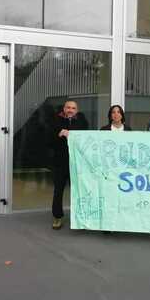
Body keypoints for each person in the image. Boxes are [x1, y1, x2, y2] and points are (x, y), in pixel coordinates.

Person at [51, 99, 88, 230]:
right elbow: (49, 138)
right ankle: (57, 217)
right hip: (60, 162)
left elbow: (85, 138)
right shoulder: (55, 120)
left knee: (79, 191)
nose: (70, 110)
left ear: (76, 110)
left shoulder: (82, 121)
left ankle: (79, 217)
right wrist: (60, 133)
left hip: (77, 163)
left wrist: (69, 133)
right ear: (64, 109)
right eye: (68, 107)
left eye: (73, 108)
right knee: (58, 191)